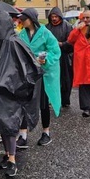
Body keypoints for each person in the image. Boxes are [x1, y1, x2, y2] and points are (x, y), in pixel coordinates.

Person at [0, 11, 43, 178]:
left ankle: (12, 160)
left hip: (10, 92)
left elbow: (30, 68)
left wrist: (11, 83)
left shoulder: (14, 43)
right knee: (2, 124)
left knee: (9, 126)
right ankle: (7, 154)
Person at [17, 8, 61, 146]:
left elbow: (55, 51)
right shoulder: (21, 34)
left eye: (24, 19)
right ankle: (23, 135)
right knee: (24, 103)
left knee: (43, 103)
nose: (21, 21)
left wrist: (45, 58)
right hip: (27, 74)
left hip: (42, 74)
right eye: (20, 19)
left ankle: (46, 132)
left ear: (31, 19)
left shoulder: (46, 34)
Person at [45, 7, 74, 108]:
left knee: (65, 79)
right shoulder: (46, 27)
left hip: (64, 57)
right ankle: (52, 99)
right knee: (51, 78)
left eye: (56, 16)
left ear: (59, 17)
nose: (54, 19)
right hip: (50, 57)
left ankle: (65, 100)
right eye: (52, 16)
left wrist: (62, 44)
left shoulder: (67, 26)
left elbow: (72, 41)